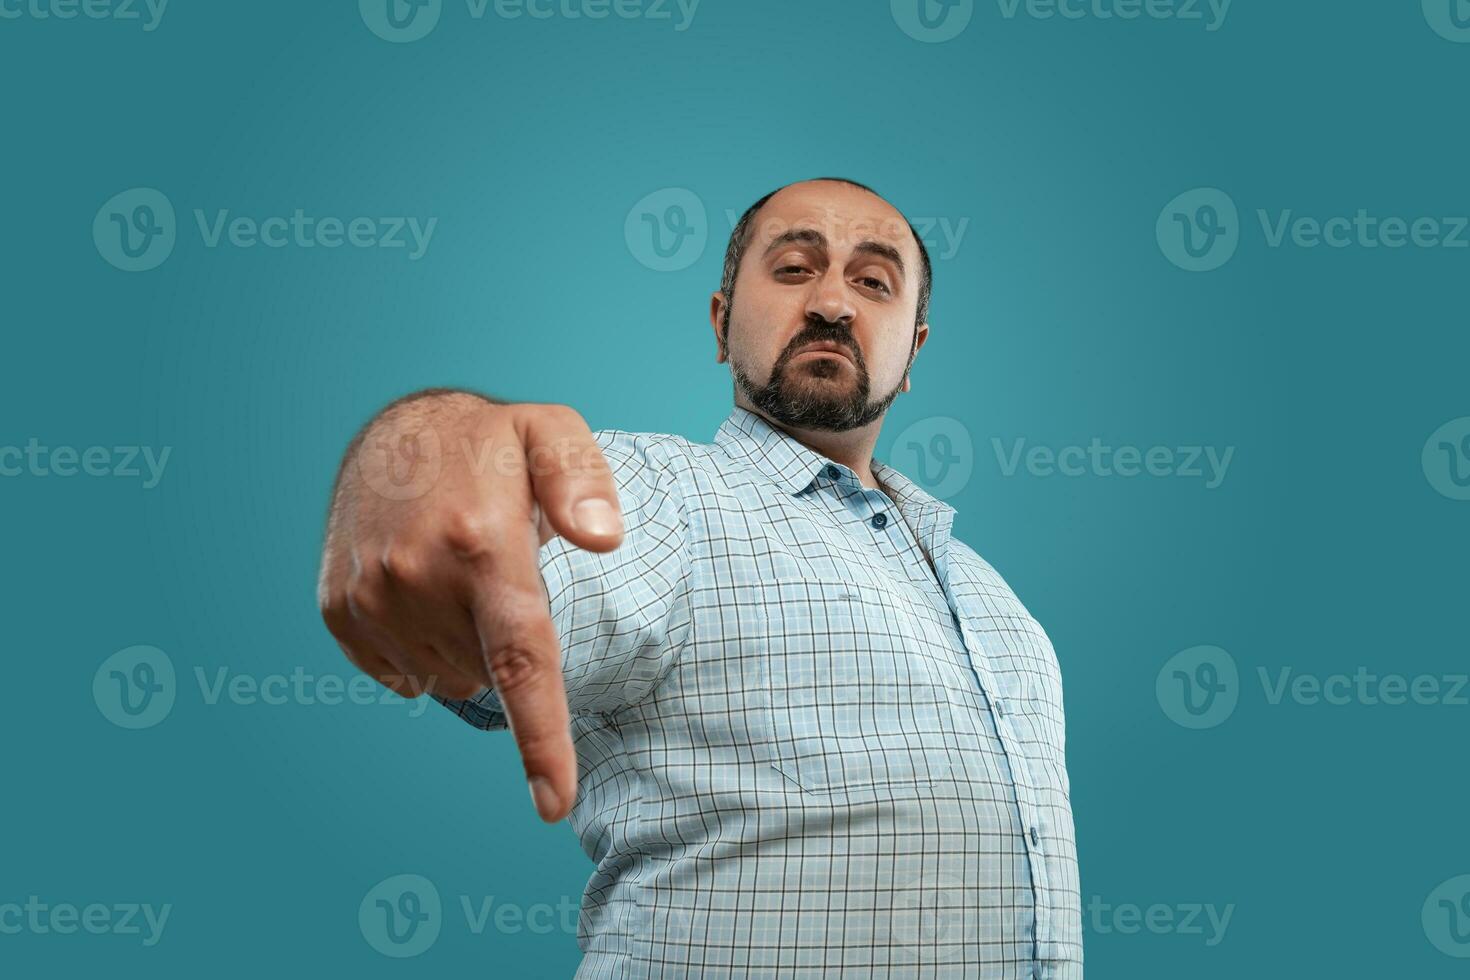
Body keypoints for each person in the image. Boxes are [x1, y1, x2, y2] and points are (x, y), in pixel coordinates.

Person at [317, 177, 1082, 977]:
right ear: (721, 325)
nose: (832, 303)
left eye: (873, 281)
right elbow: (503, 547)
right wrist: (422, 460)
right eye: (792, 269)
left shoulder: (996, 600)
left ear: (914, 349)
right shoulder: (663, 497)